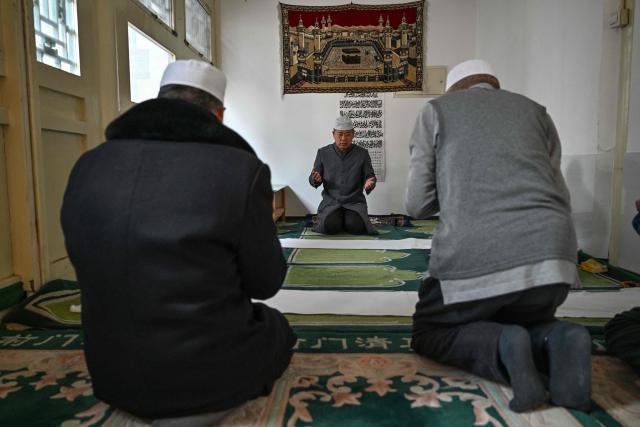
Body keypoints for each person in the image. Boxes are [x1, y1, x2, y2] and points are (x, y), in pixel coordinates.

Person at [61, 60, 295, 423]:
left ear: (157, 103)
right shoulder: (240, 170)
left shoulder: (88, 164)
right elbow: (266, 283)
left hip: (112, 376)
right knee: (276, 326)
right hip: (207, 385)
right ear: (218, 116)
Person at [405, 59, 591, 413]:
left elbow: (417, 204)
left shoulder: (436, 111)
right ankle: (558, 336)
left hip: (477, 253)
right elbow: (559, 193)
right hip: (555, 255)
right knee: (520, 315)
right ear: (494, 85)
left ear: (453, 91)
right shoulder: (537, 112)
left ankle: (503, 347)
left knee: (430, 331)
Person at [309, 116, 377, 235]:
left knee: (355, 227)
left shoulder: (362, 154)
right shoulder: (323, 153)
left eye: (347, 134)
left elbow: (370, 176)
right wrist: (315, 179)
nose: (343, 138)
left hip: (354, 203)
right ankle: (338, 220)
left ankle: (346, 220)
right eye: (340, 134)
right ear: (333, 134)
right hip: (331, 202)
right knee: (330, 226)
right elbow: (314, 177)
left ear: (353, 134)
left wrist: (369, 182)